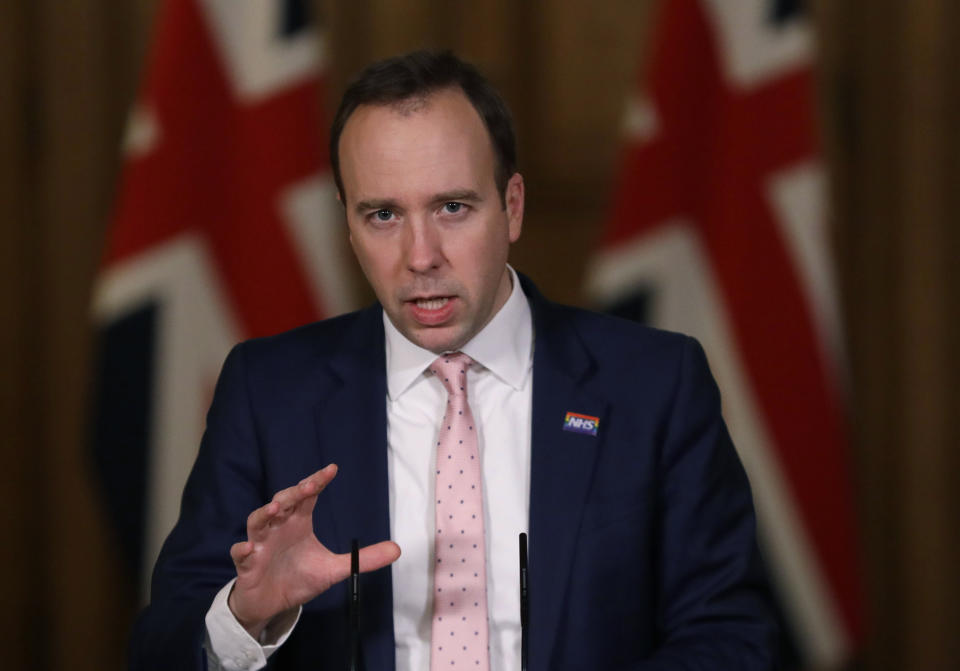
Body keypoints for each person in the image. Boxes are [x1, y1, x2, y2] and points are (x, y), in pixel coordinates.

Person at [130, 50, 776, 670]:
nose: (420, 255)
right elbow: (162, 647)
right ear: (348, 226)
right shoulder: (269, 390)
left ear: (512, 206)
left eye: (453, 207)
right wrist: (247, 616)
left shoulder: (654, 382)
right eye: (383, 214)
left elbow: (731, 636)